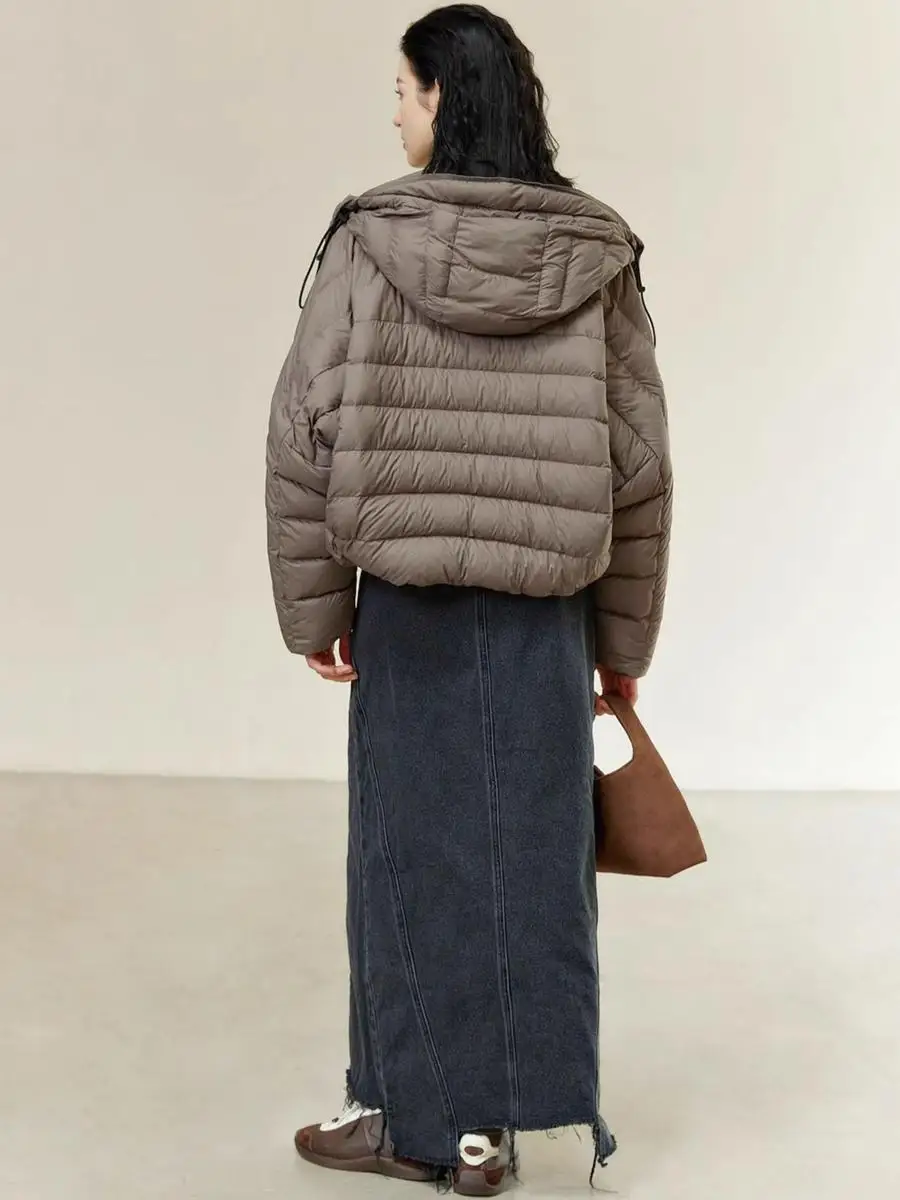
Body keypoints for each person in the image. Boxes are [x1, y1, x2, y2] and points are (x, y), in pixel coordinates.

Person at [265, 4, 672, 1194]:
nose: (394, 113)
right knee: (533, 864)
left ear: (443, 98)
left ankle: (422, 1125)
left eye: (402, 91)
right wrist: (624, 641)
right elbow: (639, 465)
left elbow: (303, 433)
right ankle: (501, 1125)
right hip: (548, 612)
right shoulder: (597, 253)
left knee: (408, 857)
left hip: (408, 599)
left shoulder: (368, 240)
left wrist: (316, 613)